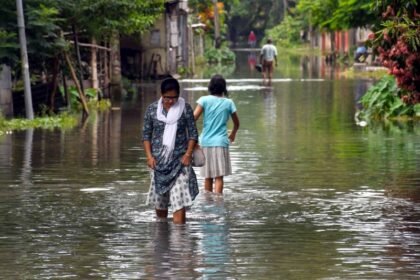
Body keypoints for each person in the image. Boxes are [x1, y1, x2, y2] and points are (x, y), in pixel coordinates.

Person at [142, 77, 199, 224]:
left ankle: (180, 240)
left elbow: (193, 134)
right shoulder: (152, 110)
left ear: (179, 95)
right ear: (162, 95)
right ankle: (162, 235)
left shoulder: (185, 109)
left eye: (174, 98)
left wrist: (188, 154)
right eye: (167, 98)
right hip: (158, 163)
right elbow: (146, 135)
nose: (171, 101)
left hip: (180, 162)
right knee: (160, 201)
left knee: (178, 199)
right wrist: (149, 157)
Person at [194, 75, 240, 194]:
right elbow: (237, 123)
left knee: (208, 176)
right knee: (219, 176)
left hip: (206, 142)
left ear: (210, 87)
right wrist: (233, 133)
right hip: (221, 142)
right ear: (224, 88)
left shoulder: (204, 100)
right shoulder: (229, 103)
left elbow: (193, 118)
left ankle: (208, 202)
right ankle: (219, 203)